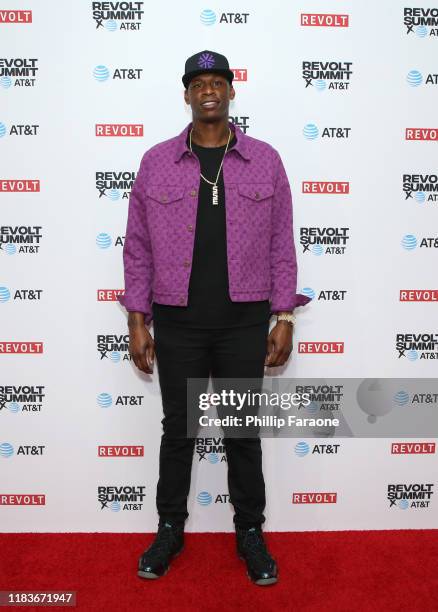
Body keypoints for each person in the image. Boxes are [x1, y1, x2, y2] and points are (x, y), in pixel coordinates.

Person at [118, 50, 310, 586]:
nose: (208, 90)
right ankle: (169, 528)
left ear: (231, 92)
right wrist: (138, 318)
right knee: (177, 431)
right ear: (186, 95)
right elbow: (136, 247)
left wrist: (285, 316)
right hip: (176, 319)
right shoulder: (156, 161)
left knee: (242, 433)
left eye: (218, 82)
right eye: (198, 83)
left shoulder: (265, 160)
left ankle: (250, 531)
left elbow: (281, 244)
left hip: (243, 321)